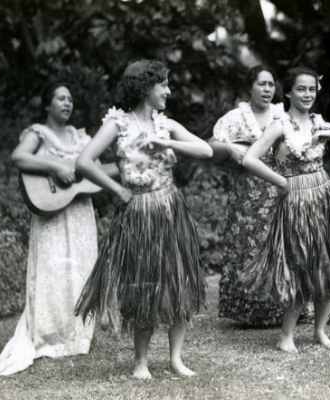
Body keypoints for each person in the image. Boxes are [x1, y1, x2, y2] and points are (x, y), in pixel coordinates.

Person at [74, 60, 211, 379]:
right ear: (144, 87)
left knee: (178, 281)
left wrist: (167, 143)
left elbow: (204, 150)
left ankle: (176, 359)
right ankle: (141, 362)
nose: (168, 90)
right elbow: (84, 161)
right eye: (163, 84)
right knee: (144, 285)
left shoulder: (167, 125)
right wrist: (117, 189)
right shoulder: (117, 124)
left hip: (169, 208)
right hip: (137, 212)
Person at [240, 66, 330, 353]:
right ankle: (286, 335)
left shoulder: (320, 124)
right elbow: (249, 159)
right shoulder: (278, 125)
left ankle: (320, 331)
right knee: (299, 267)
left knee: (328, 263)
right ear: (288, 92)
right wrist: (280, 182)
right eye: (301, 89)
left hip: (325, 199)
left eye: (312, 89)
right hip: (296, 203)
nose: (308, 94)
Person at [0, 83, 97, 377]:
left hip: (79, 211)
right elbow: (19, 157)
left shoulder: (81, 136)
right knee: (52, 270)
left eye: (70, 99)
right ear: (48, 104)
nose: (67, 103)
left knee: (80, 268)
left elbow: (94, 168)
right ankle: (49, 336)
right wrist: (55, 166)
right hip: (51, 211)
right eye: (60, 98)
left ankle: (76, 336)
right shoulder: (38, 133)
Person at [210, 65, 286, 326]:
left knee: (279, 246)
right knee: (247, 248)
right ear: (249, 87)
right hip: (247, 193)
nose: (267, 89)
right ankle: (247, 312)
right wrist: (229, 147)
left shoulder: (283, 115)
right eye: (261, 84)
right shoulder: (235, 117)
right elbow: (210, 148)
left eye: (270, 84)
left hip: (279, 189)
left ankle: (282, 309)